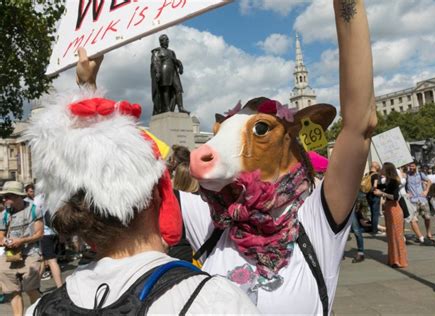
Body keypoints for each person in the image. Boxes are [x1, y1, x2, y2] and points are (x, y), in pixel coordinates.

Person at [24, 48, 258, 315]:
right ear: (160, 194)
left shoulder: (39, 308)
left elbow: (93, 165)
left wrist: (86, 89)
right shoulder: (216, 301)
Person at [187, 1, 377, 314]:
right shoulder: (214, 220)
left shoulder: (315, 221)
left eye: (261, 129)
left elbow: (360, 124)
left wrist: (348, 5)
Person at [0, 181, 44, 316]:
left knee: (31, 289)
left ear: (18, 196)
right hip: (11, 254)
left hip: (31, 254)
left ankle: (35, 313)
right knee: (12, 291)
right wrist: (5, 241)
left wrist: (22, 241)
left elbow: (39, 234)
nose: (4, 199)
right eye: (4, 196)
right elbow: (1, 234)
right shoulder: (4, 214)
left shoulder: (33, 209)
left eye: (8, 196)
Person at [374, 163, 408, 268]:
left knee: (397, 235)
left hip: (394, 209)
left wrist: (382, 194)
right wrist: (377, 177)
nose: (381, 169)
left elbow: (394, 196)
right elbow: (377, 186)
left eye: (383, 168)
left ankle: (399, 260)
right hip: (389, 209)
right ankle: (393, 259)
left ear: (387, 170)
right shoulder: (388, 181)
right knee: (391, 235)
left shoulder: (393, 181)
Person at [150, 34, 189, 115]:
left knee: (178, 89)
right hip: (164, 70)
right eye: (166, 39)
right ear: (161, 41)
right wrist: (157, 72)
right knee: (165, 89)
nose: (167, 41)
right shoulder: (157, 51)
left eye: (168, 40)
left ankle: (181, 107)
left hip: (173, 71)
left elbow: (175, 60)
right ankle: (167, 108)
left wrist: (179, 65)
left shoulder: (171, 52)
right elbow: (155, 62)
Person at [406, 162, 433, 244]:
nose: (411, 167)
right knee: (414, 219)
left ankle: (428, 233)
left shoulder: (420, 174)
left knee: (427, 218)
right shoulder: (407, 175)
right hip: (413, 200)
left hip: (422, 199)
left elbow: (429, 181)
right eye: (410, 166)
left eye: (413, 166)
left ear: (416, 166)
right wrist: (406, 193)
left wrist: (426, 191)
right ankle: (419, 236)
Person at [366, 161, 382, 235]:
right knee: (375, 213)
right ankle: (374, 230)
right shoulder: (376, 175)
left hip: (368, 195)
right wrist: (376, 190)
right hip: (374, 195)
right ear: (376, 167)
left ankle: (372, 228)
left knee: (372, 212)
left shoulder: (367, 174)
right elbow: (375, 185)